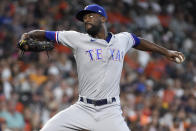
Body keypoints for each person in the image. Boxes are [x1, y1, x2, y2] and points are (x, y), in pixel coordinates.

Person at [19, 4, 185, 131]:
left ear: (103, 19)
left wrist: (165, 52)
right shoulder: (76, 39)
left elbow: (138, 41)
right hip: (83, 108)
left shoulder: (122, 39)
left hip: (110, 111)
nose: (86, 20)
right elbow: (46, 34)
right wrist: (28, 35)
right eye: (84, 19)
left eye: (91, 16)